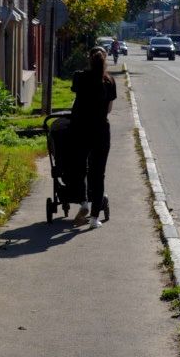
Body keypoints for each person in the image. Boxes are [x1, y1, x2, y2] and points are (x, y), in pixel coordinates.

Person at [70, 47, 117, 226]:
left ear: (89, 59)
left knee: (80, 168)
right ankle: (95, 219)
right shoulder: (109, 81)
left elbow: (76, 97)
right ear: (105, 60)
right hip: (101, 131)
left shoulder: (80, 77)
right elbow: (109, 109)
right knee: (98, 174)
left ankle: (83, 203)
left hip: (80, 129)